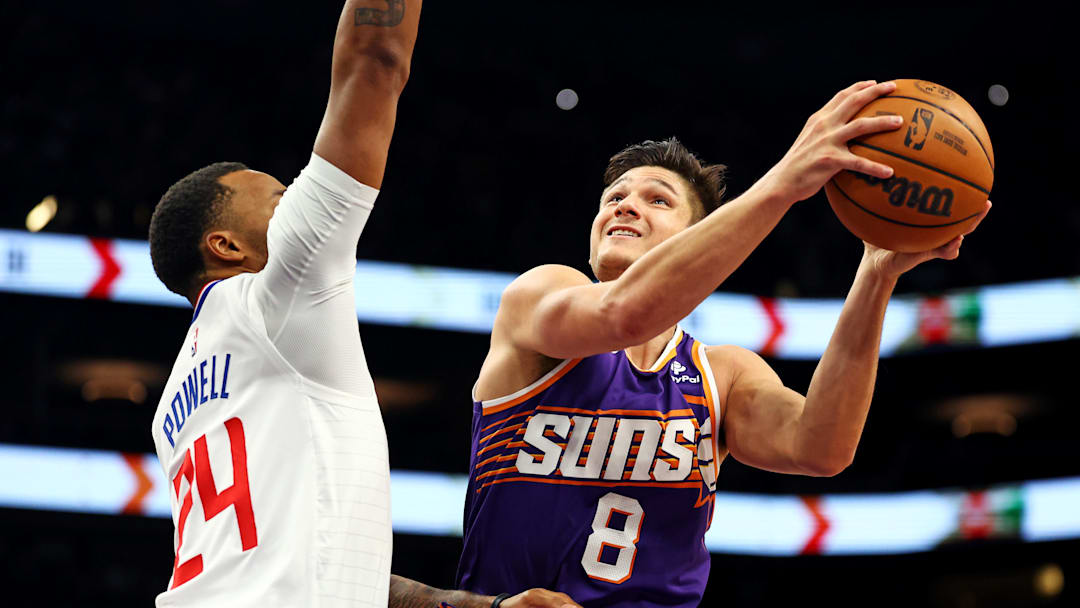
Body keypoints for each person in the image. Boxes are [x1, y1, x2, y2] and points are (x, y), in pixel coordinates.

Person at [456, 80, 991, 607]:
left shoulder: (723, 375)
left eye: (656, 199)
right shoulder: (540, 294)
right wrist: (785, 180)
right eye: (613, 197)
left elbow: (822, 447)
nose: (624, 206)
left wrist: (877, 273)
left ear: (697, 236)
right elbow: (623, 314)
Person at [147, 2, 576, 607]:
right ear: (225, 245)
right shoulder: (279, 293)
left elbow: (327, 564)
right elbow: (376, 60)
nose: (296, 199)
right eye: (279, 198)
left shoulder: (174, 401)